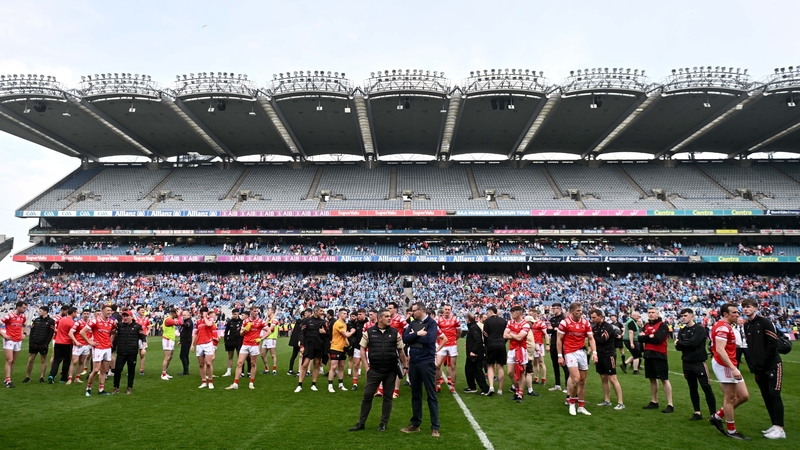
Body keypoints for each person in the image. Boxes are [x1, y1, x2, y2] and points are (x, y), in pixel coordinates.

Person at [349, 308, 408, 433]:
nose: (389, 318)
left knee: (387, 397)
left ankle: (383, 423)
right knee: (367, 396)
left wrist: (405, 366)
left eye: (389, 316)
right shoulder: (369, 332)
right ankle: (361, 422)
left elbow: (401, 351)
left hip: (391, 370)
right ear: (379, 318)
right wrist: (366, 366)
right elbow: (362, 348)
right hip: (374, 370)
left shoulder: (395, 332)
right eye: (386, 316)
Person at [742, 298, 785, 440]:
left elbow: (773, 343)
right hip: (758, 368)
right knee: (766, 396)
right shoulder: (747, 326)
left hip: (772, 365)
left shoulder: (765, 322)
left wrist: (763, 360)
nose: (745, 309)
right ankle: (774, 424)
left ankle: (780, 429)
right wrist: (755, 363)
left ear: (755, 308)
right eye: (744, 307)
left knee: (774, 395)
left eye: (748, 306)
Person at [708, 303, 750, 440]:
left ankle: (718, 416)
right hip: (725, 365)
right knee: (730, 398)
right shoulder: (722, 327)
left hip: (730, 364)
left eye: (738, 312)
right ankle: (732, 431)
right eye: (734, 312)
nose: (737, 314)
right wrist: (732, 368)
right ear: (725, 314)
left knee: (744, 396)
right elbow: (720, 350)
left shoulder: (726, 327)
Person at [401, 301, 440, 437]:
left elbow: (430, 339)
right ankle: (415, 424)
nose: (412, 313)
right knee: (415, 394)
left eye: (414, 310)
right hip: (414, 363)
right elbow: (405, 338)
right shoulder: (412, 323)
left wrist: (414, 335)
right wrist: (418, 334)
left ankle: (435, 427)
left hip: (426, 362)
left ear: (421, 310)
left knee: (431, 395)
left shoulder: (432, 323)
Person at [674, 308, 717, 421]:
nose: (683, 317)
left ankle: (713, 414)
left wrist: (682, 343)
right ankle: (697, 412)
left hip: (698, 362)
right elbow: (678, 347)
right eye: (682, 316)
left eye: (686, 315)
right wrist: (683, 344)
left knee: (706, 387)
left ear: (692, 316)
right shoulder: (682, 330)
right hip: (687, 363)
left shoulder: (700, 329)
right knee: (692, 388)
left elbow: (694, 343)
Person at [557, 302, 597, 416]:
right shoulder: (565, 322)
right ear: (571, 311)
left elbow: (591, 338)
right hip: (570, 352)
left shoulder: (585, 322)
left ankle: (581, 406)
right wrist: (560, 355)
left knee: (583, 381)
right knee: (575, 379)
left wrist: (594, 353)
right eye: (578, 311)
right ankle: (571, 403)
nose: (580, 313)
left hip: (581, 352)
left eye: (581, 311)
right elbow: (559, 339)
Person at [639, 307, 674, 413]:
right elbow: (640, 338)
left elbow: (658, 339)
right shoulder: (646, 325)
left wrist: (646, 336)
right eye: (649, 312)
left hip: (660, 354)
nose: (651, 314)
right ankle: (654, 401)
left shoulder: (663, 325)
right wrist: (650, 336)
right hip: (648, 354)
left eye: (653, 312)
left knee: (664, 379)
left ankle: (670, 404)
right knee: (652, 378)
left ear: (658, 314)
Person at [590, 309, 625, 410]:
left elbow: (602, 339)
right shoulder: (595, 327)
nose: (592, 319)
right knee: (603, 378)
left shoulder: (608, 327)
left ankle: (620, 402)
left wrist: (592, 337)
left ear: (600, 316)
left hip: (609, 355)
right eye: (591, 317)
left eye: (594, 317)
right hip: (599, 355)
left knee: (613, 378)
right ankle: (607, 400)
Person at [226, 306, 266, 390]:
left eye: (257, 311)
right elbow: (241, 334)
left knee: (253, 363)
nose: (256, 313)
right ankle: (235, 383)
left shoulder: (261, 321)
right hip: (245, 344)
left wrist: (261, 338)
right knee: (239, 363)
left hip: (255, 345)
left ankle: (251, 382)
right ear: (250, 312)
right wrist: (245, 330)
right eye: (254, 311)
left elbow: (269, 330)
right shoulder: (245, 321)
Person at [81, 305, 117, 396]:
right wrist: (89, 341)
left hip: (107, 348)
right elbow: (82, 332)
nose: (109, 312)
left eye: (110, 311)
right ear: (102, 311)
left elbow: (114, 332)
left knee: (104, 370)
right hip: (98, 348)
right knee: (96, 370)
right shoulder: (95, 321)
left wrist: (111, 340)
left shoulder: (111, 322)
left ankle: (101, 389)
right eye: (107, 310)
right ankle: (88, 389)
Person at [112, 310, 146, 394]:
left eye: (127, 316)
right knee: (118, 370)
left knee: (131, 370)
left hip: (132, 352)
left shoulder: (137, 326)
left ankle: (129, 387)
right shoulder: (119, 326)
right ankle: (116, 387)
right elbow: (112, 331)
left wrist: (143, 348)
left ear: (131, 317)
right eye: (123, 316)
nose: (125, 318)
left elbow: (143, 338)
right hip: (121, 352)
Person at [295, 306, 328, 392]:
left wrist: (324, 332)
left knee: (317, 364)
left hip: (319, 345)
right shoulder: (307, 320)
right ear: (316, 311)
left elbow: (328, 334)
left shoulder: (323, 322)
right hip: (309, 345)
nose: (322, 312)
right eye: (321, 311)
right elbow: (302, 333)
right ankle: (299, 385)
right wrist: (302, 345)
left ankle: (313, 384)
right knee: (305, 364)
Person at [503, 306, 530, 403]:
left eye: (512, 312)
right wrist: (515, 336)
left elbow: (519, 338)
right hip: (512, 349)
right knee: (510, 372)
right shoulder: (510, 322)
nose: (511, 314)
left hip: (521, 350)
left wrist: (512, 334)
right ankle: (518, 390)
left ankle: (520, 394)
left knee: (522, 372)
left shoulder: (525, 324)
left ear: (518, 313)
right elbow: (504, 335)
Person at [24, 305, 56, 384]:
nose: (39, 312)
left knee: (43, 360)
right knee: (30, 360)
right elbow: (32, 331)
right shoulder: (35, 320)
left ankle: (42, 377)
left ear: (45, 312)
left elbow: (51, 334)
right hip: (34, 343)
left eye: (40, 311)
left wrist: (46, 344)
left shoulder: (51, 321)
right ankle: (27, 377)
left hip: (43, 344)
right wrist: (30, 342)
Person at [328, 308, 355, 392]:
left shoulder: (344, 324)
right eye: (344, 313)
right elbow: (346, 334)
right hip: (335, 347)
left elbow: (344, 337)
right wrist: (352, 332)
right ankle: (330, 385)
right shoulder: (338, 323)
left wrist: (348, 344)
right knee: (333, 366)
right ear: (339, 315)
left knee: (341, 367)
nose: (345, 315)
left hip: (342, 348)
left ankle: (340, 384)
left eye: (346, 313)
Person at [2, 301, 28, 388]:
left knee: (13, 361)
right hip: (9, 340)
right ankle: (8, 380)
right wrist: (4, 334)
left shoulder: (23, 316)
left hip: (18, 340)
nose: (25, 309)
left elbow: (25, 325)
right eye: (23, 308)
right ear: (18, 307)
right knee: (9, 360)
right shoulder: (9, 316)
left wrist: (24, 334)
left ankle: (7, 379)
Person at [434, 304, 459, 394]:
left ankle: (452, 386)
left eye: (449, 309)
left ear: (451, 310)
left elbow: (458, 332)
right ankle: (438, 384)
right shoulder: (439, 320)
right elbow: (436, 332)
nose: (447, 311)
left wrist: (455, 340)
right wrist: (439, 341)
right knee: (437, 365)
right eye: (446, 309)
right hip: (442, 345)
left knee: (453, 365)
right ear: (443, 310)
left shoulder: (455, 320)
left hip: (452, 344)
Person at [482, 305, 507, 396]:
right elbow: (506, 334)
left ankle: (491, 386)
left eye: (487, 312)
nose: (487, 314)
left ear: (491, 311)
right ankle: (500, 390)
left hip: (491, 345)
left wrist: (486, 344)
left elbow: (485, 334)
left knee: (490, 366)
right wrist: (503, 342)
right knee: (500, 367)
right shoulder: (504, 321)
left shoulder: (487, 321)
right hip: (501, 344)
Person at [191, 306, 217, 389]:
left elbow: (209, 324)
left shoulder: (210, 319)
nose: (202, 314)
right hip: (199, 344)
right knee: (201, 364)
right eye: (201, 312)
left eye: (204, 312)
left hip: (208, 343)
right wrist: (192, 344)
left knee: (208, 363)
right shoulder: (198, 321)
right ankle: (203, 381)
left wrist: (205, 317)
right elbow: (195, 333)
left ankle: (210, 381)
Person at [463, 313, 490, 395]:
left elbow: (478, 340)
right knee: (469, 370)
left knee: (477, 371)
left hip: (475, 354)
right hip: (472, 354)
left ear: (468, 319)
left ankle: (485, 389)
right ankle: (472, 387)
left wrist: (473, 351)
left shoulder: (473, 327)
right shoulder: (473, 327)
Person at [48, 306, 75, 383]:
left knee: (56, 359)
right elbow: (71, 333)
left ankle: (52, 375)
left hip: (58, 341)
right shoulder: (71, 322)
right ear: (73, 313)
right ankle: (63, 377)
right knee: (66, 360)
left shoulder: (61, 320)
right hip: (67, 343)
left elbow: (55, 328)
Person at [547, 303, 570, 392]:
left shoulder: (564, 319)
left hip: (562, 344)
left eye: (554, 308)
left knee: (564, 365)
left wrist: (555, 328)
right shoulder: (552, 319)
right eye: (552, 308)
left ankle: (567, 386)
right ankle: (557, 384)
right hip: (553, 343)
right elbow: (548, 330)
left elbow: (564, 330)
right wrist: (554, 329)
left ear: (559, 308)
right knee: (554, 364)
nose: (553, 310)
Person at [387, 302, 408, 398]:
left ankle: (396, 391)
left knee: (397, 368)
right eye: (388, 308)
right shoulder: (386, 319)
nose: (389, 310)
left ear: (395, 309)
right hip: (386, 346)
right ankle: (384, 389)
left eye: (390, 308)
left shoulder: (400, 319)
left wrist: (403, 340)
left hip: (397, 347)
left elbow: (408, 329)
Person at [66, 309, 92, 385]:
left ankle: (77, 378)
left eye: (87, 313)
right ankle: (70, 378)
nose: (86, 315)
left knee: (81, 362)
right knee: (74, 361)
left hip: (86, 345)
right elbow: (70, 333)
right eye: (85, 313)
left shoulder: (90, 323)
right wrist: (76, 341)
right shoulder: (78, 323)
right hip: (78, 345)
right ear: (82, 314)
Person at [350, 308, 368, 390]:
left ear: (364, 314)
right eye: (358, 314)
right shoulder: (356, 323)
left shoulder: (368, 323)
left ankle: (368, 384)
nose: (359, 316)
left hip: (367, 347)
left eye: (360, 314)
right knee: (356, 364)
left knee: (368, 366)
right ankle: (355, 384)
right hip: (357, 347)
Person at [222, 309, 244, 378]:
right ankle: (228, 371)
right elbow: (226, 331)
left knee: (239, 356)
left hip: (238, 341)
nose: (234, 315)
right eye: (233, 314)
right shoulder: (229, 322)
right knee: (230, 356)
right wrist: (226, 339)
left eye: (235, 314)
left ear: (238, 314)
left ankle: (240, 372)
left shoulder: (241, 322)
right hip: (231, 341)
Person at [160, 308, 181, 380]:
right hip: (167, 339)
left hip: (170, 339)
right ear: (174, 313)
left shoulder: (169, 319)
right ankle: (163, 374)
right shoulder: (168, 319)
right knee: (167, 357)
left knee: (170, 357)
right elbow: (180, 323)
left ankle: (165, 372)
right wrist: (179, 316)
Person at [287, 309, 309, 376]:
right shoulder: (302, 323)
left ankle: (290, 370)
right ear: (303, 315)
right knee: (302, 356)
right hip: (300, 341)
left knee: (294, 355)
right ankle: (302, 370)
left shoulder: (298, 322)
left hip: (295, 341)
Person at [529, 309, 547, 385]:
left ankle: (543, 379)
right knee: (534, 363)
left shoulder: (541, 323)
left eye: (531, 314)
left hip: (539, 344)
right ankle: (536, 378)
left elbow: (545, 334)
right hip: (532, 344)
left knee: (541, 362)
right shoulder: (530, 323)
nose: (530, 315)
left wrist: (547, 344)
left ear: (535, 314)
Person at [261, 307, 279, 376]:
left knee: (273, 355)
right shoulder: (269, 320)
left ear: (272, 311)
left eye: (268, 311)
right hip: (266, 338)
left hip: (271, 338)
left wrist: (262, 337)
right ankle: (267, 369)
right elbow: (263, 326)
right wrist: (268, 319)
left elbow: (270, 329)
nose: (267, 312)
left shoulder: (275, 320)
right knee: (262, 355)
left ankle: (274, 370)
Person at [134, 306, 150, 376]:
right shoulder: (134, 319)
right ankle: (131, 370)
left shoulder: (146, 319)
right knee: (133, 355)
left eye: (143, 310)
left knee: (142, 354)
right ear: (138, 311)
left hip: (143, 338)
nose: (143, 312)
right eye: (141, 310)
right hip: (135, 338)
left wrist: (147, 333)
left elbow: (149, 327)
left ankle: (141, 369)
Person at [178, 310, 193, 375]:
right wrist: (181, 341)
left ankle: (185, 370)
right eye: (182, 315)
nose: (183, 316)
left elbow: (186, 325)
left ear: (188, 315)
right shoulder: (187, 321)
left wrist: (179, 316)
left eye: (184, 315)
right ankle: (186, 370)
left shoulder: (189, 321)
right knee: (185, 355)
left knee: (182, 355)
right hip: (185, 340)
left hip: (186, 341)